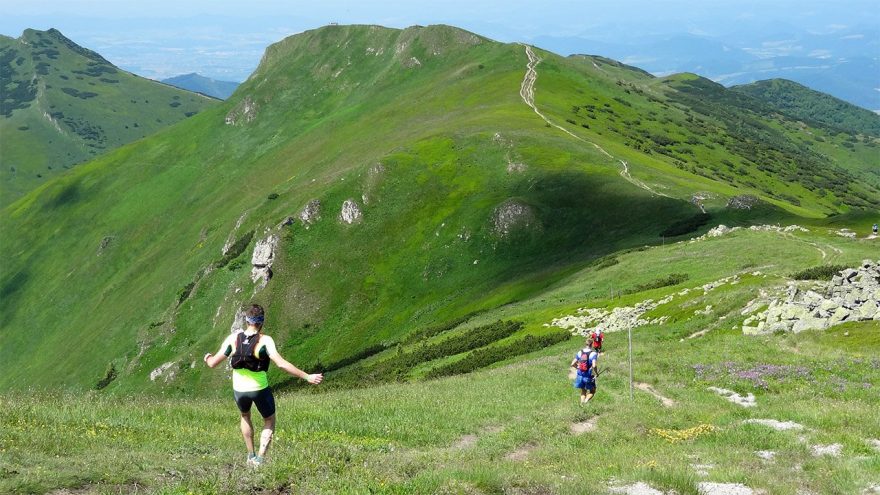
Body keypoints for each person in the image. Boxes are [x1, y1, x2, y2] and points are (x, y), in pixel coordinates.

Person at [204, 304, 323, 467]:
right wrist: (307, 376)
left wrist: (207, 357)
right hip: (259, 389)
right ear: (262, 322)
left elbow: (212, 363)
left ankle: (250, 455)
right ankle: (260, 460)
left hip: (239, 390)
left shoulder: (233, 338)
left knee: (245, 416)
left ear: (246, 320)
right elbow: (281, 364)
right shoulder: (265, 340)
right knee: (269, 420)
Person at [570, 339, 599, 405]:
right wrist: (596, 373)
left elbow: (572, 364)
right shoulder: (593, 353)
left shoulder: (580, 352)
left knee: (583, 390)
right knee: (592, 391)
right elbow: (594, 365)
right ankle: (585, 401)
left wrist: (577, 368)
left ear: (585, 344)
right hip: (588, 376)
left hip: (580, 375)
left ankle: (581, 404)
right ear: (592, 344)